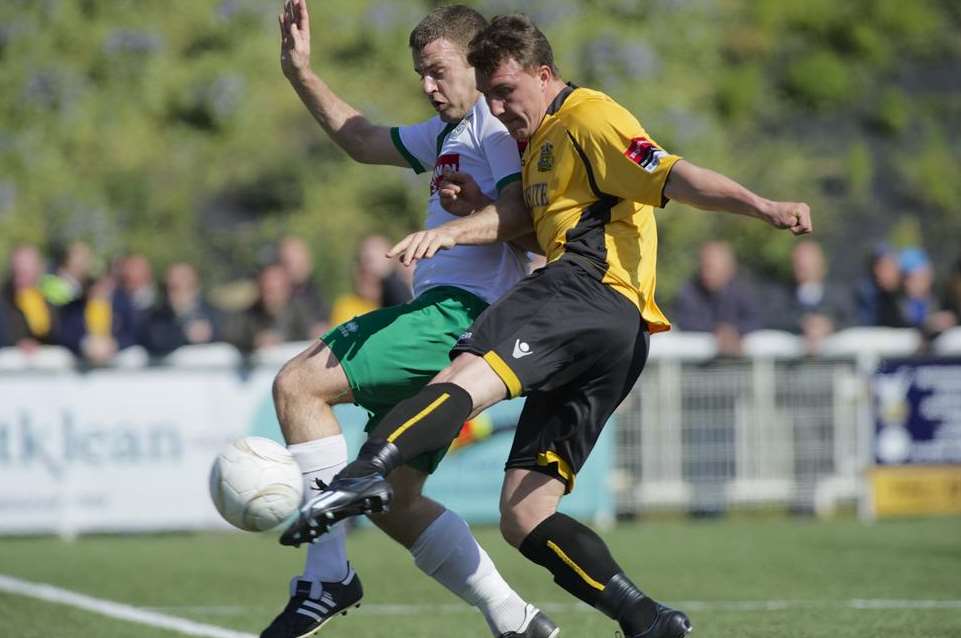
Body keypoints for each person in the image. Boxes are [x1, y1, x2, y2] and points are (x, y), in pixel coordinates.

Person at [286, 14, 812, 638]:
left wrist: (763, 206)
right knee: (524, 514)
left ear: (543, 73)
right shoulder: (531, 145)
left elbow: (672, 173)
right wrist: (475, 202)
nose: (497, 106)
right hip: (618, 338)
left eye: (505, 91)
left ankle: (362, 475)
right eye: (490, 92)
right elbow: (524, 222)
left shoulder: (588, 116)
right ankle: (646, 619)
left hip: (584, 287)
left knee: (460, 372)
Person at [268, 3, 555, 638]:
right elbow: (362, 138)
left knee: (297, 384)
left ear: (477, 63)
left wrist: (457, 228)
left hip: (457, 313)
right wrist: (300, 73)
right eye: (420, 74)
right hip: (449, 322)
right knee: (395, 501)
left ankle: (325, 578)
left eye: (438, 71)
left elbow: (525, 219)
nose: (428, 86)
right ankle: (517, 619)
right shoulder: (448, 133)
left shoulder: (493, 127)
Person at [672, 240, 760, 356]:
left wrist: (735, 332)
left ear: (729, 268)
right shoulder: (690, 290)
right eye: (704, 267)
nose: (706, 273)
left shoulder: (745, 291)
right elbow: (684, 320)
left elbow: (757, 319)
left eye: (711, 267)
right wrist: (715, 330)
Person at [766, 239, 851, 354]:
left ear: (821, 264)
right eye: (799, 263)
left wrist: (829, 325)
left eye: (809, 263)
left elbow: (853, 320)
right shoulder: (781, 295)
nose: (803, 266)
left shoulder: (840, 295)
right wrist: (804, 324)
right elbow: (772, 320)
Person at [228, 262, 313, 354]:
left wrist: (281, 340)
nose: (268, 297)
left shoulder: (300, 312)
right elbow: (233, 335)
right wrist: (255, 341)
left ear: (286, 289)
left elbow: (309, 335)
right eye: (265, 290)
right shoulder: (250, 314)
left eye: (273, 291)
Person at [142, 262, 224, 356]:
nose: (177, 293)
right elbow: (156, 343)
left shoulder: (214, 313)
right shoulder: (156, 317)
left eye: (182, 285)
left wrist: (208, 333)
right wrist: (185, 333)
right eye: (172, 287)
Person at [277, 235, 331, 337]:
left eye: (300, 262)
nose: (295, 268)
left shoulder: (321, 292)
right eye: (288, 263)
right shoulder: (273, 298)